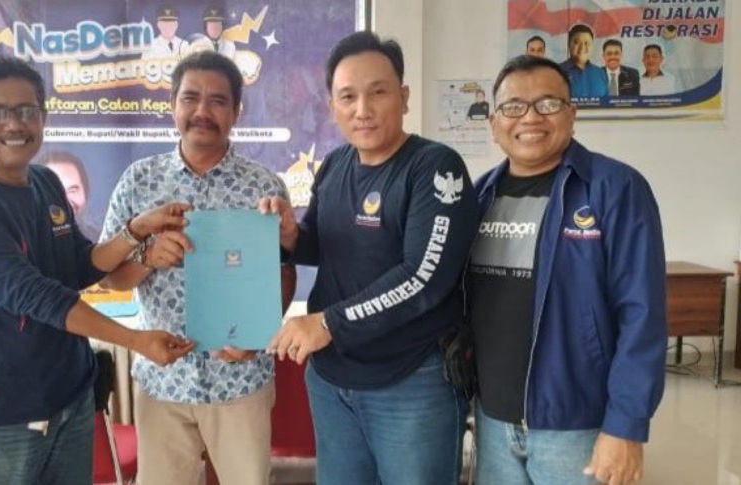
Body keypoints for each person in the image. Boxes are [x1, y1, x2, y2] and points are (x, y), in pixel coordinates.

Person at [0, 56, 194, 485]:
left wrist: (136, 231)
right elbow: (32, 294)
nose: (14, 124)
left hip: (71, 399)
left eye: (26, 110)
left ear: (43, 116)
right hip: (0, 416)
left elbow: (78, 266)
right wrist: (136, 341)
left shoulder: (46, 183)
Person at [261, 31, 480, 485]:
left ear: (403, 97)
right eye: (348, 97)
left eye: (378, 92)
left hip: (411, 379)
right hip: (332, 379)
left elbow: (423, 277)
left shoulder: (435, 167)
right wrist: (290, 235)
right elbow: (320, 243)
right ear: (332, 107)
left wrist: (326, 323)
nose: (363, 109)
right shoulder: (335, 163)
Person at [471, 54, 667, 485]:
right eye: (513, 106)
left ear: (572, 114)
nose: (530, 117)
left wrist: (626, 425)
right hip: (493, 420)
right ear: (494, 122)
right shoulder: (479, 196)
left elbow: (643, 314)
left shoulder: (615, 189)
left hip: (577, 426)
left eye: (548, 104)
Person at [98, 51, 290, 485]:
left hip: (240, 379)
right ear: (172, 105)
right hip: (163, 382)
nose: (202, 111)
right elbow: (109, 278)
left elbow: (283, 273)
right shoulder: (138, 181)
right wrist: (147, 258)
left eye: (218, 101)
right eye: (190, 98)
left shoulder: (263, 187)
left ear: (237, 111)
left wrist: (257, 335)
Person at [42, 150, 99, 240]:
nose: (66, 202)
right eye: (53, 191)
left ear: (85, 192)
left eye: (72, 190)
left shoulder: (102, 241)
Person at [559, 24, 608, 98]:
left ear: (592, 46)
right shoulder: (556, 71)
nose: (582, 47)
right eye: (577, 42)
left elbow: (607, 103)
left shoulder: (600, 73)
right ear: (569, 44)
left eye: (586, 43)